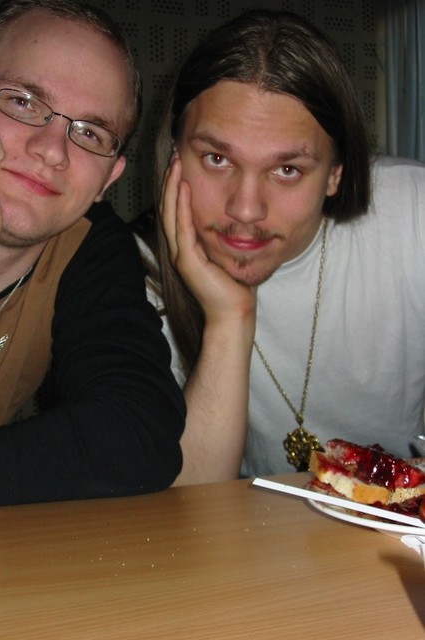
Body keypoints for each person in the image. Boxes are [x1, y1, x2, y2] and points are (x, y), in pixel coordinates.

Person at [147, 8, 425, 484]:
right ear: (175, 153)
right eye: (217, 158)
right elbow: (187, 505)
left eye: (287, 169)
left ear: (336, 172)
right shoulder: (139, 272)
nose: (247, 210)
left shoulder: (413, 215)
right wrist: (229, 318)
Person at [0, 0, 186, 508]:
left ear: (109, 179)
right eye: (22, 102)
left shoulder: (89, 247)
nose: (53, 150)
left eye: (89, 133)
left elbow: (138, 434)